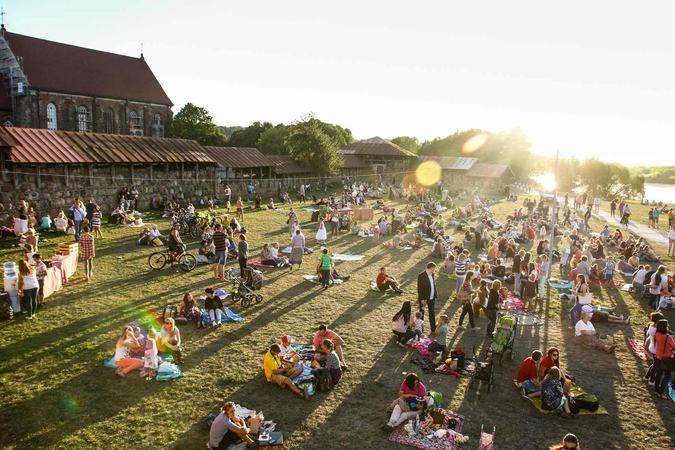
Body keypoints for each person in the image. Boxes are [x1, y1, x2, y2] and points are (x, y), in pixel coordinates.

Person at [653, 319, 675, 400]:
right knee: (667, 376)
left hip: (658, 356)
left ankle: (656, 390)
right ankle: (661, 392)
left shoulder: (657, 334)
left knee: (658, 374)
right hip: (667, 359)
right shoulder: (668, 337)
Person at [417, 262, 438, 332]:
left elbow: (433, 285)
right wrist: (422, 299)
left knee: (432, 313)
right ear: (431, 268)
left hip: (432, 298)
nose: (434, 270)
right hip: (424, 299)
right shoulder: (421, 275)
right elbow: (420, 288)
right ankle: (420, 328)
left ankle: (433, 328)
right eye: (434, 268)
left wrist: (435, 294)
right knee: (422, 313)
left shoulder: (432, 274)